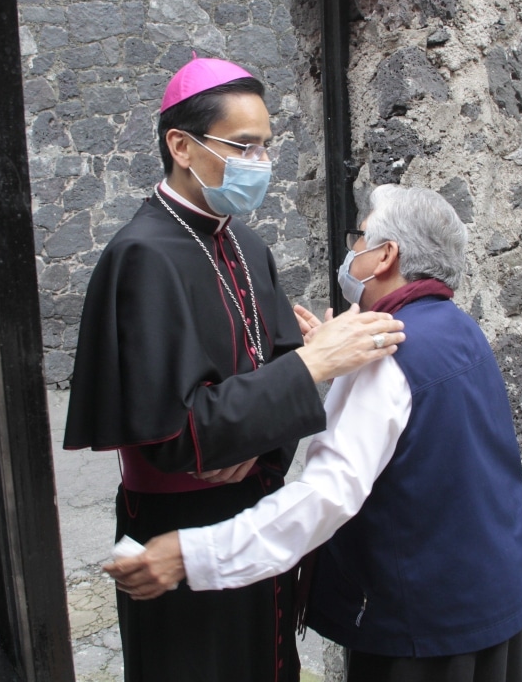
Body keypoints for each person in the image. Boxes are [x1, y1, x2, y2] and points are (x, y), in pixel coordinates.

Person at [108, 185, 522, 682]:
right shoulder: (457, 327)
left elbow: (324, 498)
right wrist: (333, 370)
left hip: (429, 630)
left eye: (360, 236)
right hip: (500, 599)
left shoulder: (388, 353)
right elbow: (418, 441)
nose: (351, 249)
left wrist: (192, 553)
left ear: (385, 256)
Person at [65, 57, 406, 682]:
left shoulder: (247, 245)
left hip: (253, 511)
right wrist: (312, 365)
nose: (260, 163)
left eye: (266, 146)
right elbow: (175, 432)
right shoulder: (141, 256)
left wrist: (265, 426)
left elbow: (275, 376)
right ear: (182, 146)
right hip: (179, 527)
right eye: (243, 146)